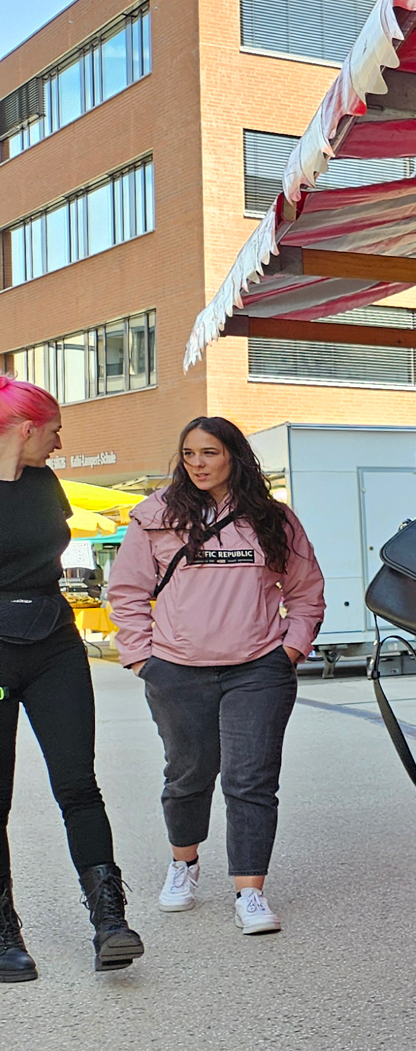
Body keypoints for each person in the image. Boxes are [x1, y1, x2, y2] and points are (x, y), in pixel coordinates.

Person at [107, 419, 324, 936]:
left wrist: (290, 648)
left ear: (234, 456)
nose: (198, 463)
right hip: (177, 670)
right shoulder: (155, 515)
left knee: (251, 779)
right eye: (188, 454)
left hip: (258, 670)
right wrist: (141, 658)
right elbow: (127, 591)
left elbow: (305, 589)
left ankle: (250, 892)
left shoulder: (273, 519)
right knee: (189, 773)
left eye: (209, 452)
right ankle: (184, 864)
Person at [0, 379, 141, 983]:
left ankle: (109, 921)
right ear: (26, 427)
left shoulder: (43, 484)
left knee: (79, 784)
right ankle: (5, 931)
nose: (61, 441)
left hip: (55, 641)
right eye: (54, 428)